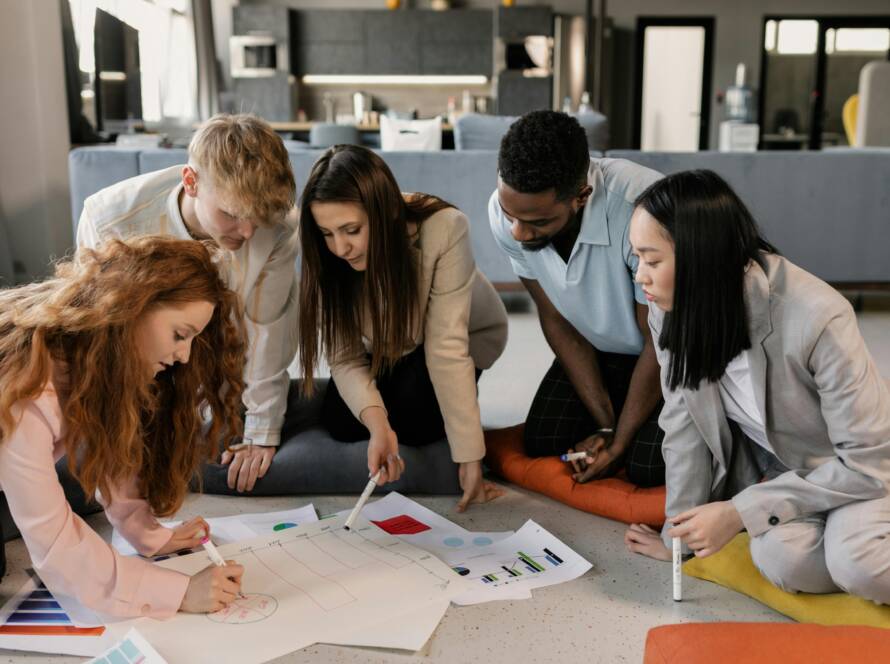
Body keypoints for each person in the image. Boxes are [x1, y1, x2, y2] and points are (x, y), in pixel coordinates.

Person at [624, 170, 890, 603]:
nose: (641, 277)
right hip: (793, 469)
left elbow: (866, 464)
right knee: (783, 561)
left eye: (652, 261)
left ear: (701, 257)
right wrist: (681, 539)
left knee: (857, 564)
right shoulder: (670, 307)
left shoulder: (816, 315)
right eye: (637, 259)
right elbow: (682, 424)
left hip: (863, 465)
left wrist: (738, 511)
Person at [0, 237, 248, 617]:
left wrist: (149, 535)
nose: (184, 356)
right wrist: (178, 592)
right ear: (132, 308)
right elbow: (56, 549)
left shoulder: (92, 347)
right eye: (180, 335)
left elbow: (111, 448)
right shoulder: (28, 389)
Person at [76, 113, 299, 493]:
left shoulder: (276, 224)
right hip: (139, 364)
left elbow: (268, 328)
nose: (247, 232)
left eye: (256, 219)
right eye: (231, 214)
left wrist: (262, 430)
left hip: (225, 359)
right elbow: (100, 340)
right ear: (191, 182)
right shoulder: (111, 220)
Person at [299, 145, 508, 511]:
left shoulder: (445, 229)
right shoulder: (329, 253)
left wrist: (471, 455)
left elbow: (447, 348)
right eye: (327, 233)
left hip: (459, 338)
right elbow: (346, 358)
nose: (340, 248)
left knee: (416, 424)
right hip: (390, 343)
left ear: (386, 213)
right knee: (344, 424)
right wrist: (378, 425)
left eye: (351, 230)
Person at [489, 110, 665, 487]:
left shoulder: (642, 213)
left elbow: (659, 340)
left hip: (671, 349)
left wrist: (618, 442)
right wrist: (604, 423)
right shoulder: (509, 214)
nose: (518, 233)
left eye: (538, 223)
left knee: (646, 466)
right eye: (511, 216)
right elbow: (554, 315)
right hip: (603, 347)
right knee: (543, 441)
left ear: (581, 196)